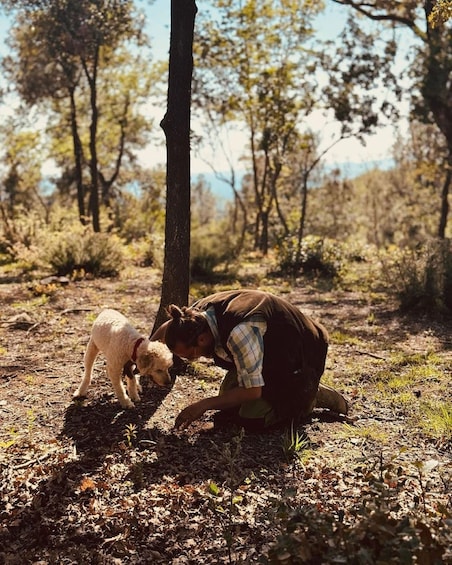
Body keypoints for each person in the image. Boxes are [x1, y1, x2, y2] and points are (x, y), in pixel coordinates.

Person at [152, 289, 348, 431]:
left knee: (251, 418)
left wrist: (202, 405)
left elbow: (252, 391)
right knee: (229, 406)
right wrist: (142, 349)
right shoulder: (193, 319)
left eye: (190, 355)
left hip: (301, 355)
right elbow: (169, 326)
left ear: (201, 340)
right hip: (266, 354)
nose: (192, 359)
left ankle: (310, 395)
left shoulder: (240, 332)